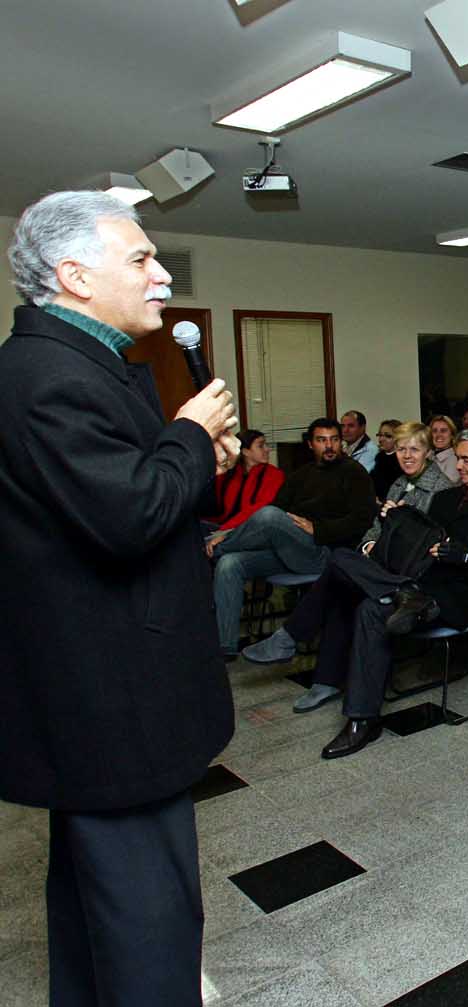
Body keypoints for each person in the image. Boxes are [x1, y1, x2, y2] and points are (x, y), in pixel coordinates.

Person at [1, 190, 242, 1004]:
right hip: (112, 700)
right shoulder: (46, 378)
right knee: (149, 921)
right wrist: (188, 434)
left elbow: (153, 492)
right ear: (73, 274)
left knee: (91, 906)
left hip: (100, 695)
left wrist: (201, 455)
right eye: (141, 258)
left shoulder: (92, 364)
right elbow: (130, 514)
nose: (162, 275)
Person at [255, 428, 468, 756]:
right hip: (416, 582)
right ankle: (360, 705)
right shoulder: (444, 500)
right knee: (342, 559)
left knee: (368, 608)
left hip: (459, 592)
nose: (458, 465)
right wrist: (395, 523)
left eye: (466, 459)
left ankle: (359, 718)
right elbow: (417, 544)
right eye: (457, 458)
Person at [244, 421, 455, 697]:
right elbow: (374, 526)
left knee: (340, 563)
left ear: (428, 452)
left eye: (415, 449)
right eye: (402, 448)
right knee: (340, 584)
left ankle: (295, 645)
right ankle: (323, 681)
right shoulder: (400, 483)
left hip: (413, 578)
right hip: (381, 565)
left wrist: (399, 520)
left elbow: (426, 545)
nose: (407, 455)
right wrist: (368, 544)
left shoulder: (443, 489)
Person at [209, 417, 377, 657]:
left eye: (334, 440)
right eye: (322, 440)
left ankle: (211, 549)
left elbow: (363, 520)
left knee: (268, 516)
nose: (329, 446)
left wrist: (318, 528)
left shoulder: (354, 472)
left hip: (324, 553)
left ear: (341, 442)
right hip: (291, 549)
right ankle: (225, 647)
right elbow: (279, 509)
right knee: (230, 563)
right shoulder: (301, 475)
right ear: (310, 444)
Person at [208, 427, 285, 538]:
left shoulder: (274, 475)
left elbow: (259, 510)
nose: (267, 449)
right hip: (224, 526)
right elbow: (216, 508)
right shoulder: (229, 474)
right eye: (261, 446)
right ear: (245, 451)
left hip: (251, 529)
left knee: (226, 555)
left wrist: (224, 531)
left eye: (266, 445)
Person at [369, 419, 402, 499]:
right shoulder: (379, 456)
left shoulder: (402, 459)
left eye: (388, 436)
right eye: (380, 435)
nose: (381, 440)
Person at [428, 413, 460, 483]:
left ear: (452, 435)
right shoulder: (428, 455)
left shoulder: (454, 460)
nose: (438, 435)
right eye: (434, 431)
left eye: (443, 431)